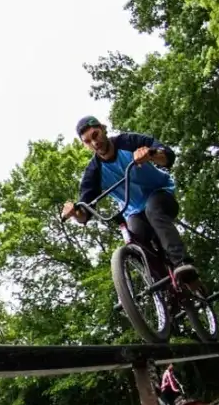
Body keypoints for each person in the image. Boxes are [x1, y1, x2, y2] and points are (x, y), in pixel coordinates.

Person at [61, 116, 198, 283]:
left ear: (103, 129)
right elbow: (84, 213)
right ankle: (164, 289)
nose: (94, 143)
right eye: (88, 141)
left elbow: (168, 156)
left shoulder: (128, 141)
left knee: (153, 209)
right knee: (135, 240)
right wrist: (74, 213)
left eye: (95, 135)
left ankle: (182, 263)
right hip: (134, 211)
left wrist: (150, 154)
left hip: (161, 194)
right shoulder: (94, 172)